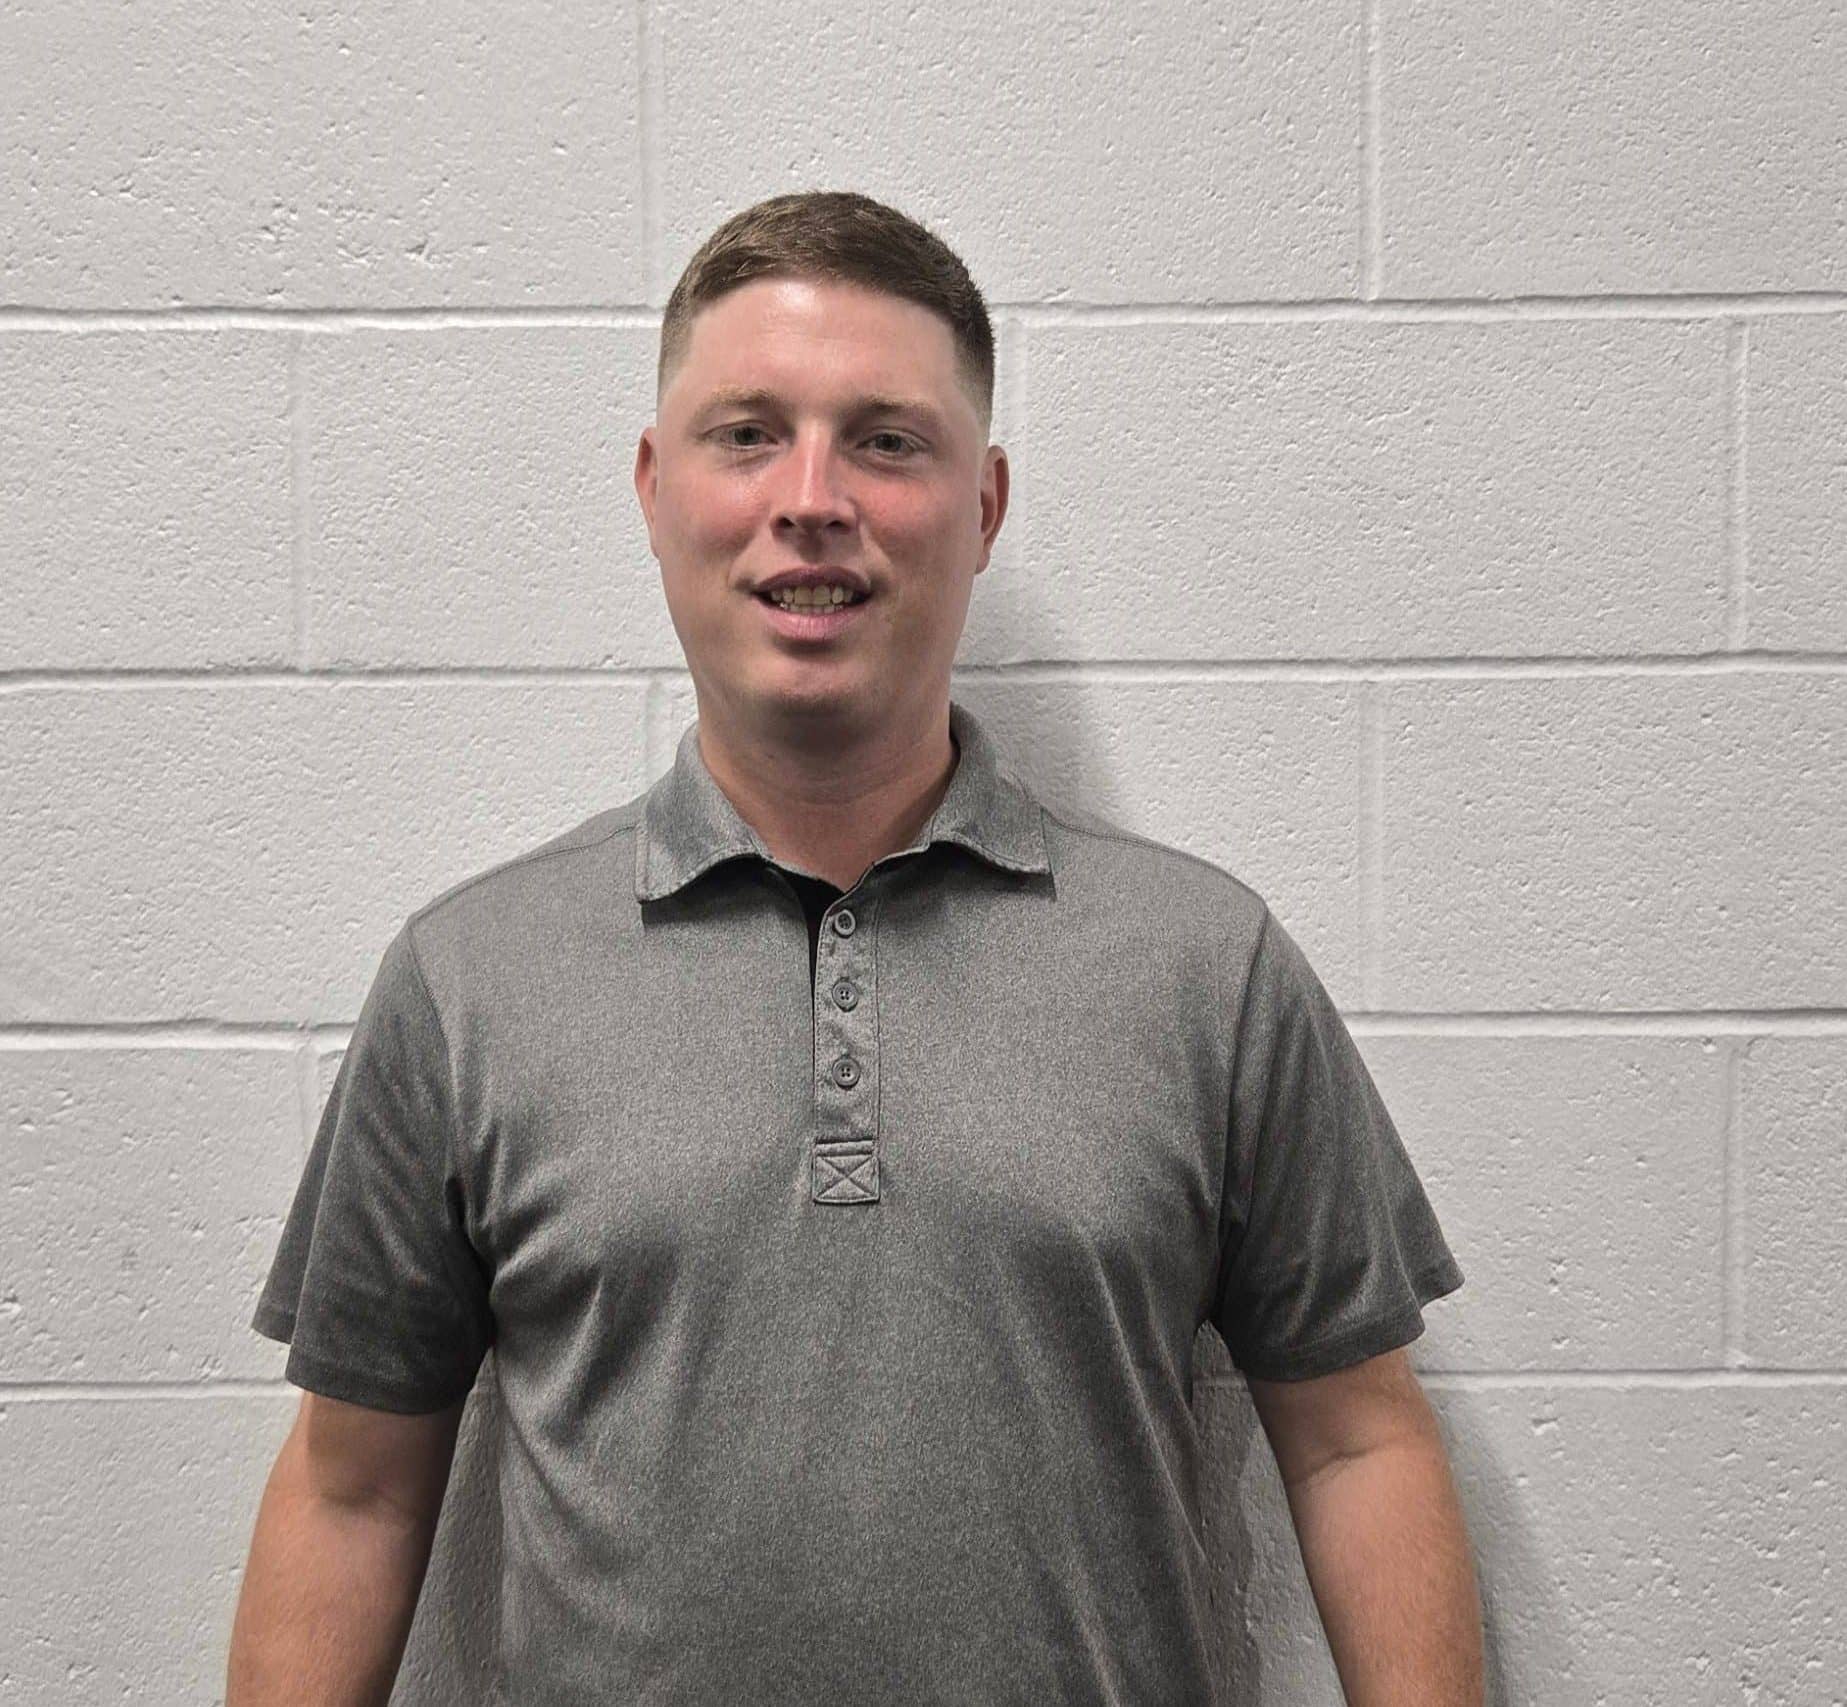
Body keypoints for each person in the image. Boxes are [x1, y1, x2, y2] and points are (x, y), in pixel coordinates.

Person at [225, 189, 1484, 1706]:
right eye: (747, 434)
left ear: (985, 504)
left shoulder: (1204, 968)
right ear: (654, 486)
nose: (811, 496)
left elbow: (1358, 1443)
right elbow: (352, 1490)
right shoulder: (470, 979)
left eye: (886, 441)